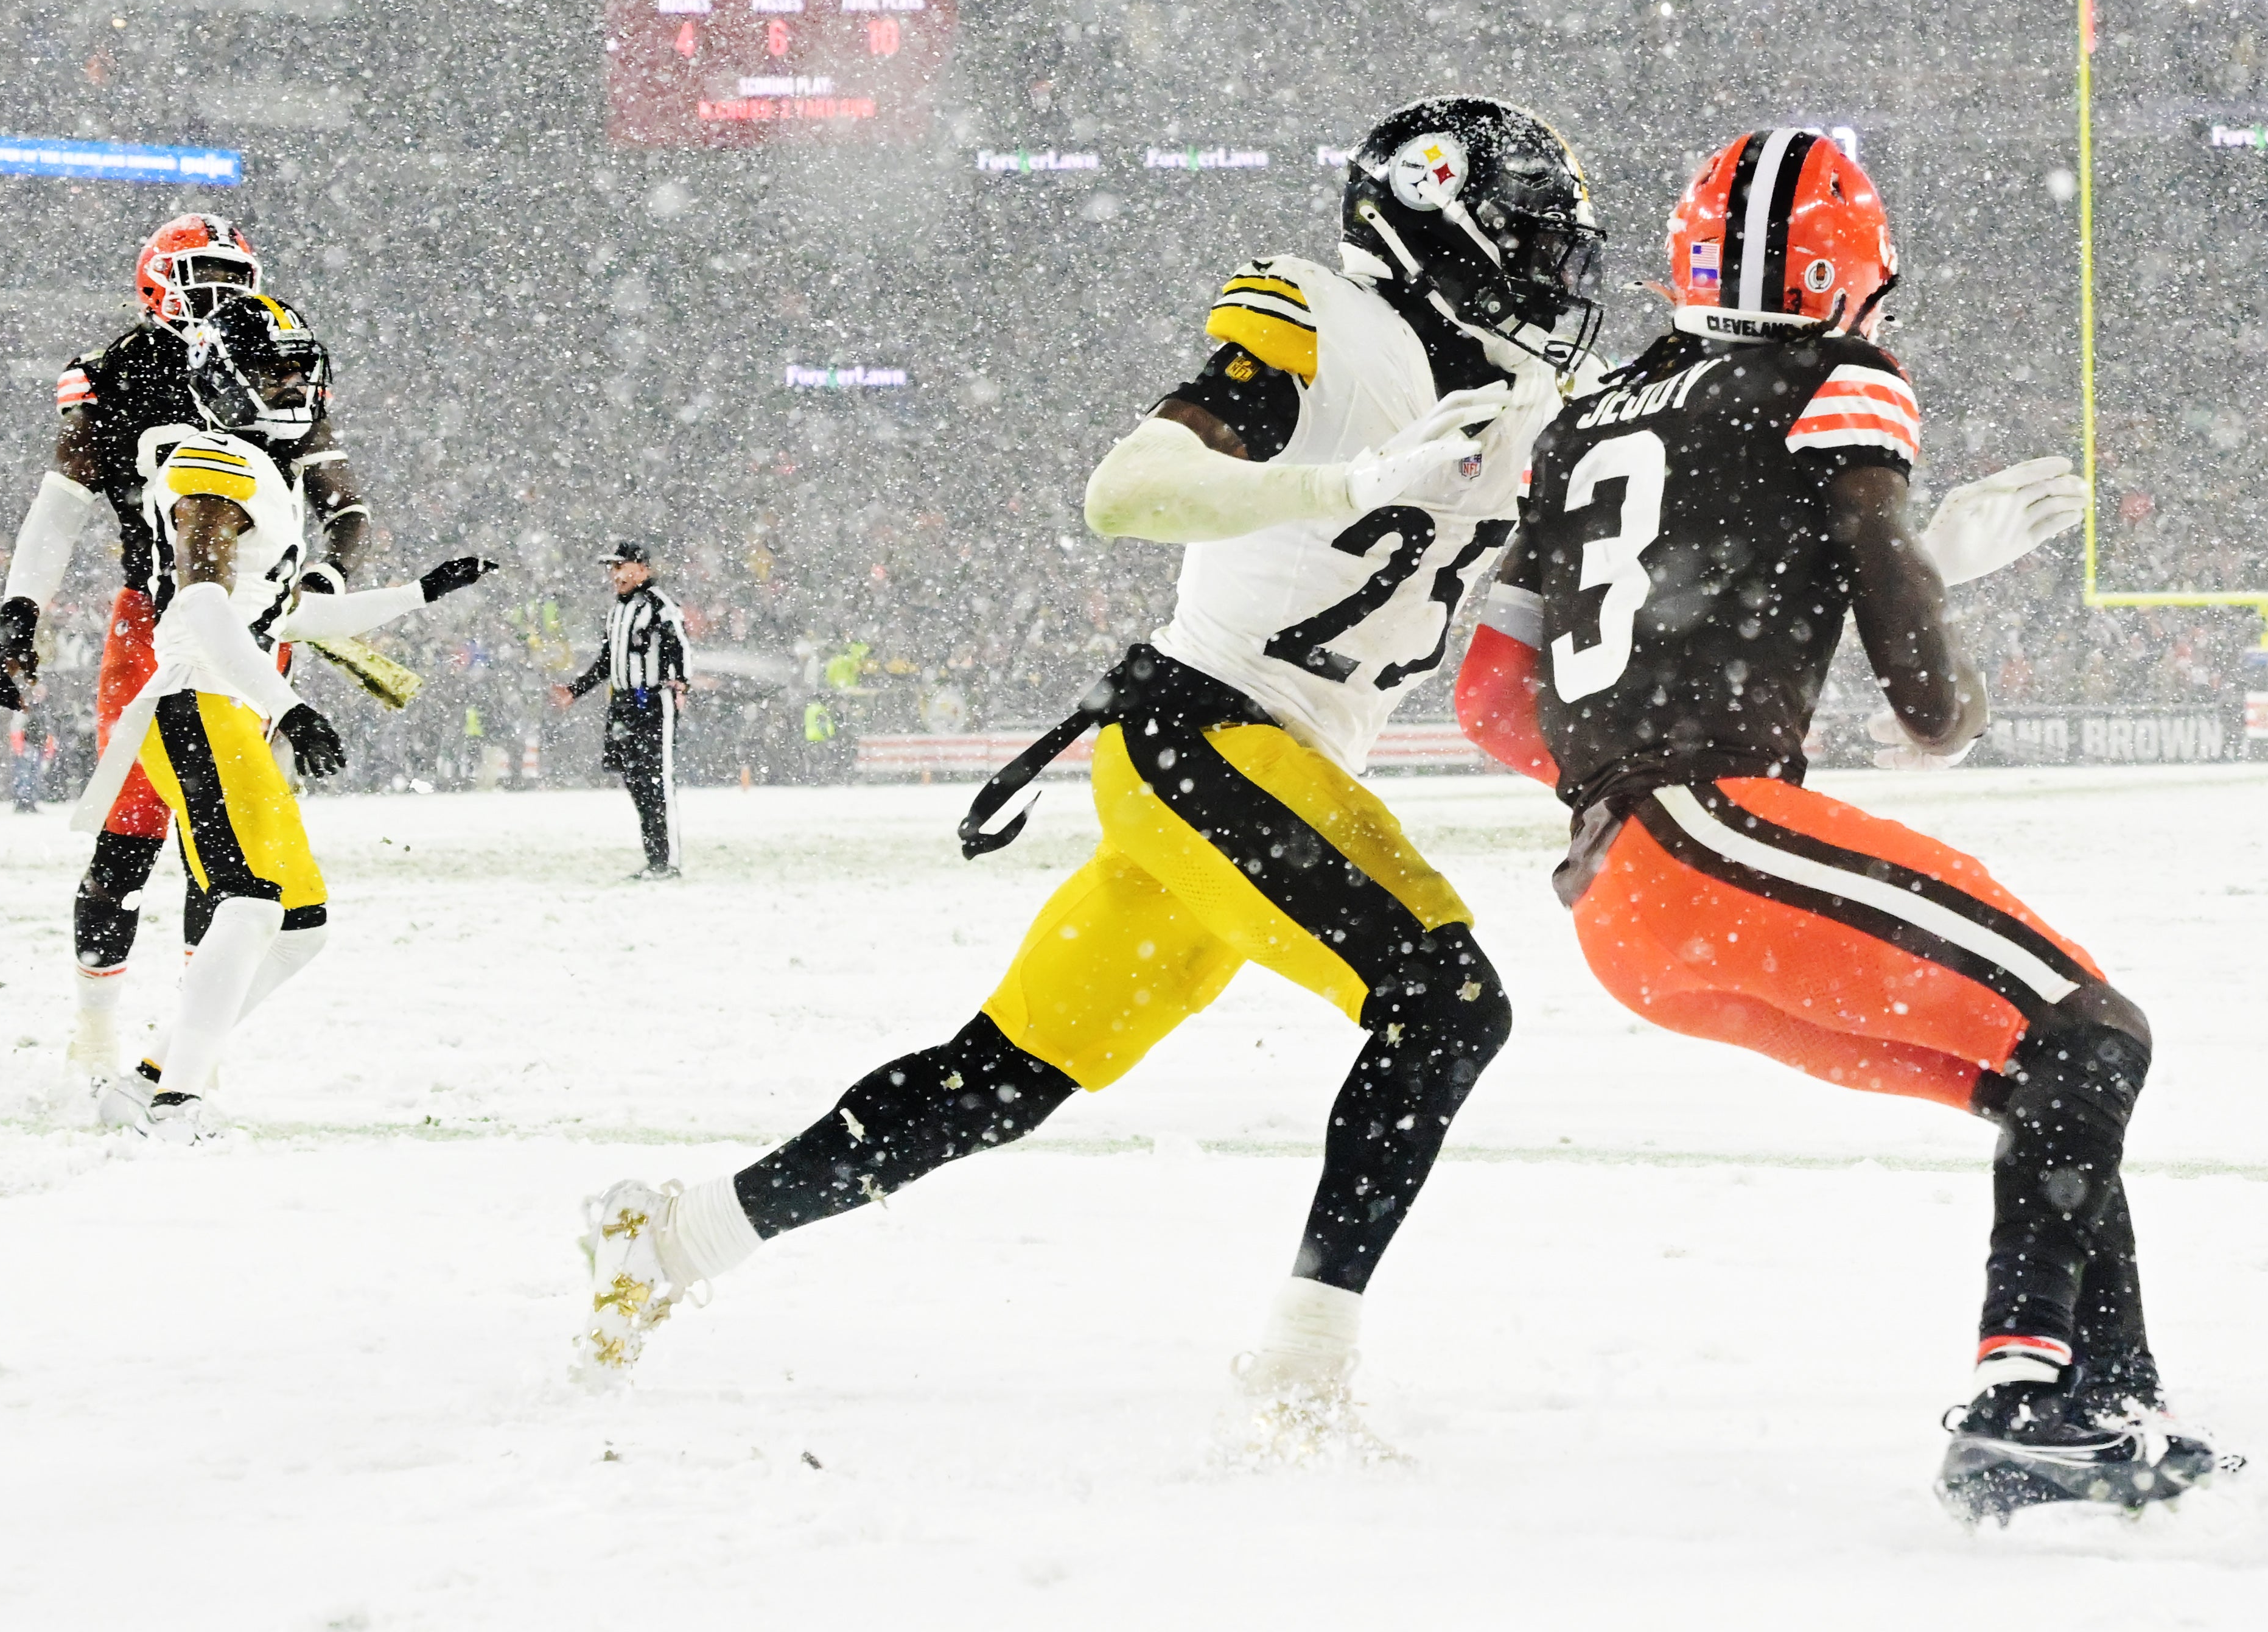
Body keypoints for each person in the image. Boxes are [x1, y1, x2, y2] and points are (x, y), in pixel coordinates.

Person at [575, 97, 1603, 1446]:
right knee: (1446, 1001)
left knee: (991, 1083)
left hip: (1260, 767)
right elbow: (1127, 491)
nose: (1553, 274)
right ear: (1432, 217)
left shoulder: (1526, 395)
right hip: (1205, 734)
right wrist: (1347, 482)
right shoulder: (1318, 323)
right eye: (1530, 239)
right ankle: (1304, 1369)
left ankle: (674, 1237)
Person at [1454, 127, 2222, 1520]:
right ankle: (2024, 1398)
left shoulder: (1586, 415)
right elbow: (1926, 699)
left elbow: (1491, 702)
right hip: (1710, 832)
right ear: (1836, 277)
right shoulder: (1834, 377)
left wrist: (1628, 780)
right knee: (2087, 1033)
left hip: (1626, 900)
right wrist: (1922, 602)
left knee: (2033, 1074)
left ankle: (2110, 1405)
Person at [72, 294, 498, 1139]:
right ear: (223, 381)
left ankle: (152, 1075)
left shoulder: (255, 468)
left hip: (228, 702)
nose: (293, 382)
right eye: (273, 368)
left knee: (298, 926)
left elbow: (279, 620)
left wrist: (419, 593)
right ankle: (182, 1101)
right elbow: (198, 612)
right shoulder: (213, 463)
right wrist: (289, 705)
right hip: (197, 701)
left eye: (301, 367)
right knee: (250, 899)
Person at [0, 216, 374, 1085]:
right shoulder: (119, 373)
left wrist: (325, 590)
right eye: (199, 277)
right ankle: (98, 1024)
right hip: (157, 620)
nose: (219, 295)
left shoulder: (266, 352)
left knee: (225, 847)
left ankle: (184, 1040)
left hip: (256, 626)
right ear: (156, 283)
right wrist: (20, 611)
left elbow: (346, 504)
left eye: (230, 276)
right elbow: (61, 508)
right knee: (133, 829)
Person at [551, 540, 690, 878]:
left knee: (656, 781)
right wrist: (576, 689)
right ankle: (654, 859)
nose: (615, 575)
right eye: (611, 569)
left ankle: (666, 863)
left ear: (642, 569)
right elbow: (608, 661)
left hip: (653, 701)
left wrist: (682, 684)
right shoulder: (617, 611)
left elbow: (679, 645)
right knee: (636, 780)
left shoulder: (658, 605)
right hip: (623, 703)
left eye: (620, 566)